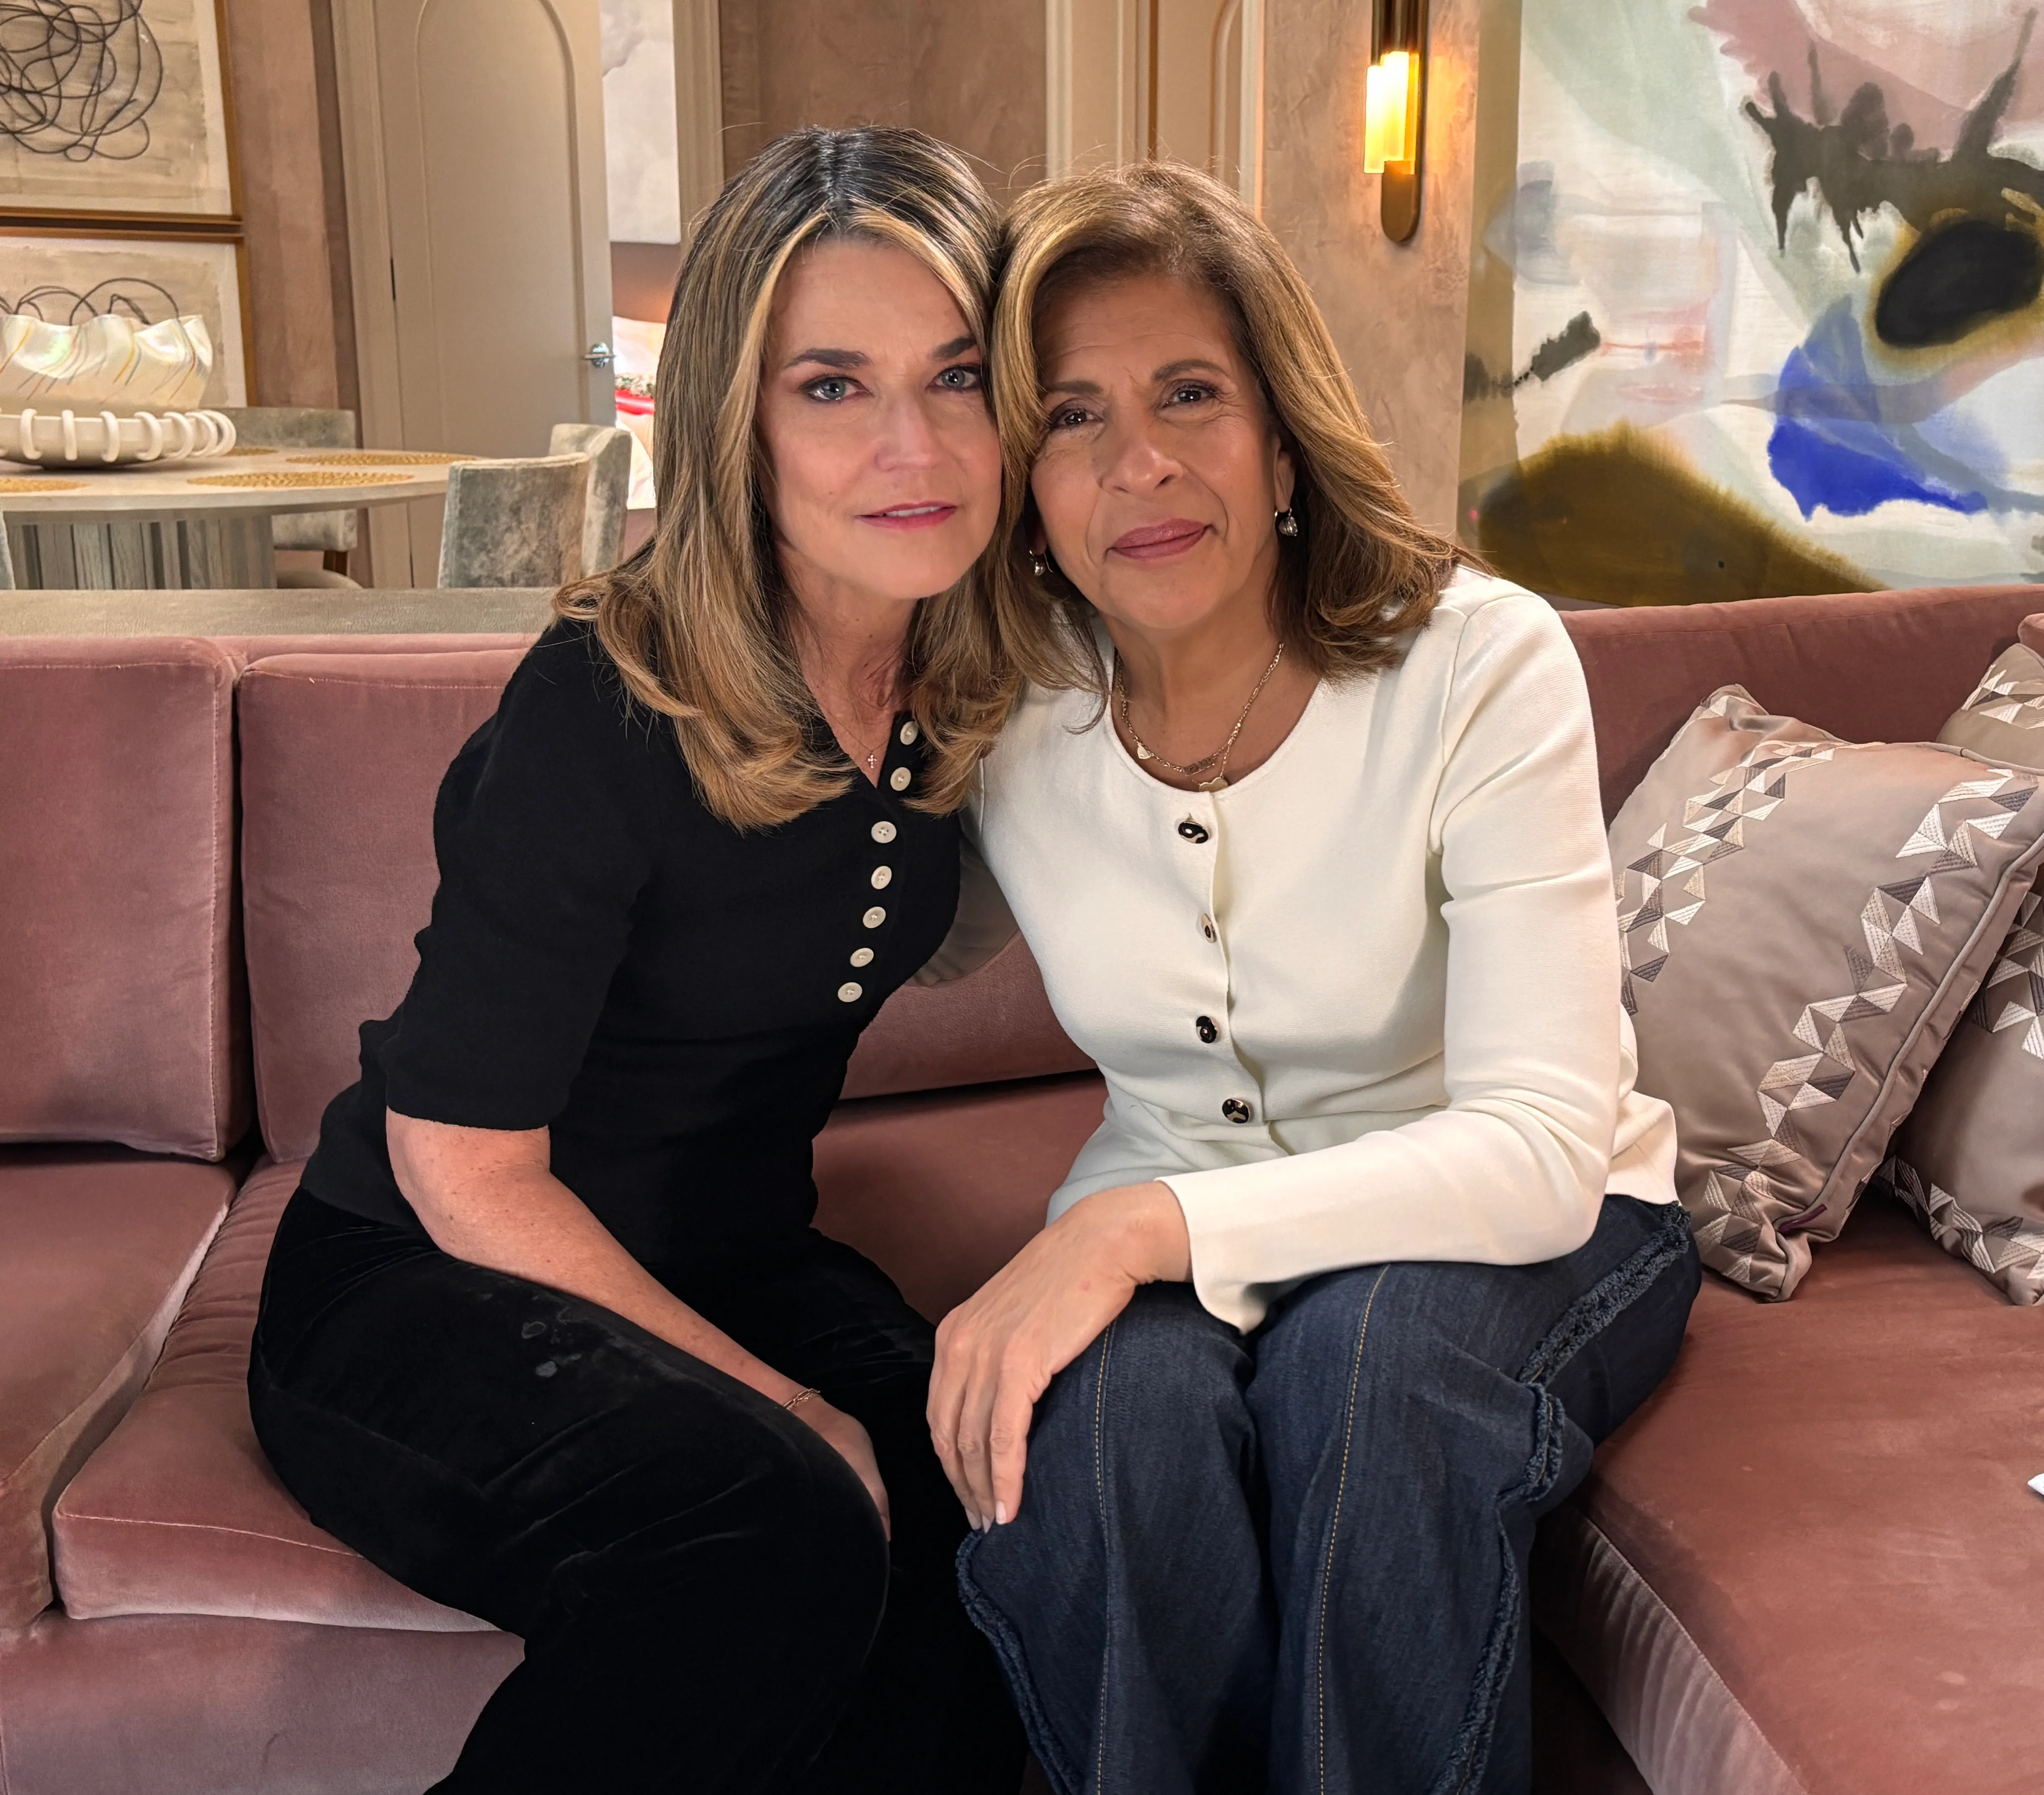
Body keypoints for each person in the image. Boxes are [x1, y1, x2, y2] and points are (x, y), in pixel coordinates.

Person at [248, 126, 1024, 1795]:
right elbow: (458, 1162)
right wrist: (784, 1411)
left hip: (727, 1252)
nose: (913, 443)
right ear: (734, 419)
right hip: (428, 1283)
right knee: (772, 1526)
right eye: (832, 385)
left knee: (997, 1513)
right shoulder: (607, 699)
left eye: (957, 375)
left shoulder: (974, 679)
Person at [924, 162, 1699, 1795]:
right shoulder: (1005, 711)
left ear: (1279, 433)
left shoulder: (1477, 662)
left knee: (1373, 1379)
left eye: (1188, 393)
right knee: (1105, 1444)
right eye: (1069, 416)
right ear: (1023, 480)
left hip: (1522, 1229)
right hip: (1172, 1200)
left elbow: (1542, 1153)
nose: (1139, 462)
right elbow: (811, 923)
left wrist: (1131, 1229)